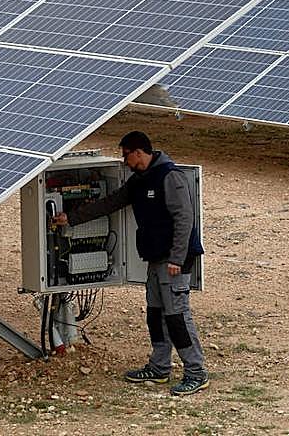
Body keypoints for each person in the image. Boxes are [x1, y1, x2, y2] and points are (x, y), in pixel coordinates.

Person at [53, 130, 208, 396]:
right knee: (156, 314)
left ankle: (196, 372)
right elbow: (111, 203)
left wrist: (177, 259)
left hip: (174, 260)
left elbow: (185, 220)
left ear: (139, 152)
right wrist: (72, 218)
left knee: (177, 316)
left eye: (126, 156)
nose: (125, 162)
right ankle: (160, 367)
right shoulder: (139, 181)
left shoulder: (170, 177)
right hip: (156, 258)